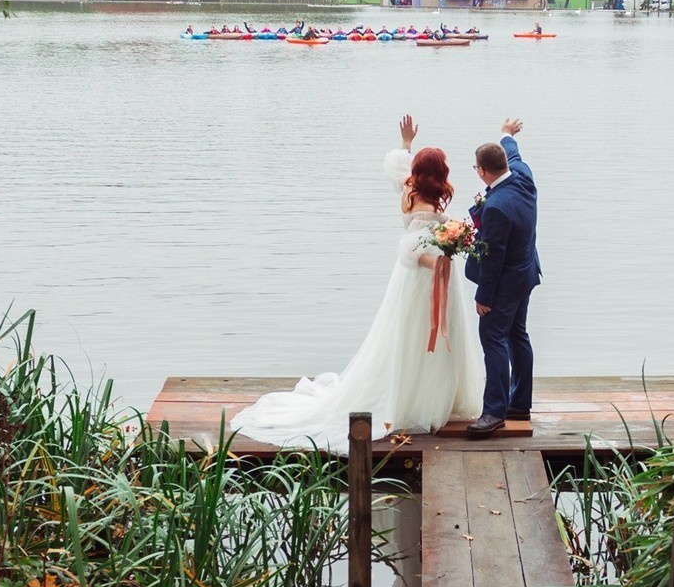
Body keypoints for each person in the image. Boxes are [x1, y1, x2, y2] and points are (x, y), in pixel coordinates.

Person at [228, 115, 485, 452]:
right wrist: (445, 249)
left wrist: (406, 141)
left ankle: (433, 396)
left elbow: (396, 165)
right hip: (425, 277)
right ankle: (421, 401)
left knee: (408, 333)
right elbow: (411, 247)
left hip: (420, 278)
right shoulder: (424, 203)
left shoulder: (407, 188)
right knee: (419, 334)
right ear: (439, 175)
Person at [464, 119, 540, 437]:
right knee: (517, 335)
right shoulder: (523, 176)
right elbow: (513, 152)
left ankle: (494, 411)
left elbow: (493, 258)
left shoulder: (496, 207)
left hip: (506, 282)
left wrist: (484, 297)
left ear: (482, 171)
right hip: (526, 273)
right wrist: (507, 134)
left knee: (493, 339)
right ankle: (519, 403)